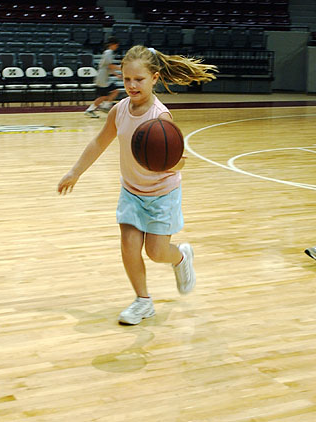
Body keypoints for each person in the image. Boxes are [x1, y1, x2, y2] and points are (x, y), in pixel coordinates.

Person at [58, 45, 217, 325]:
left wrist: (171, 161)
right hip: (131, 191)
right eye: (126, 79)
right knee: (129, 247)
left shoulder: (160, 117)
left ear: (154, 78)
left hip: (162, 194)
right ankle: (143, 302)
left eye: (138, 80)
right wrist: (75, 172)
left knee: (156, 253)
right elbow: (99, 142)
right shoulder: (119, 111)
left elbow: (177, 161)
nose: (131, 85)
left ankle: (180, 257)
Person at [84, 37, 121, 118]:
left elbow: (108, 67)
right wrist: (120, 68)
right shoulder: (109, 52)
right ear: (113, 44)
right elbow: (110, 65)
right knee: (111, 92)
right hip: (102, 77)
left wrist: (116, 74)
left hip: (103, 76)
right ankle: (103, 107)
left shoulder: (108, 52)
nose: (117, 47)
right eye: (116, 45)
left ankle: (92, 109)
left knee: (108, 94)